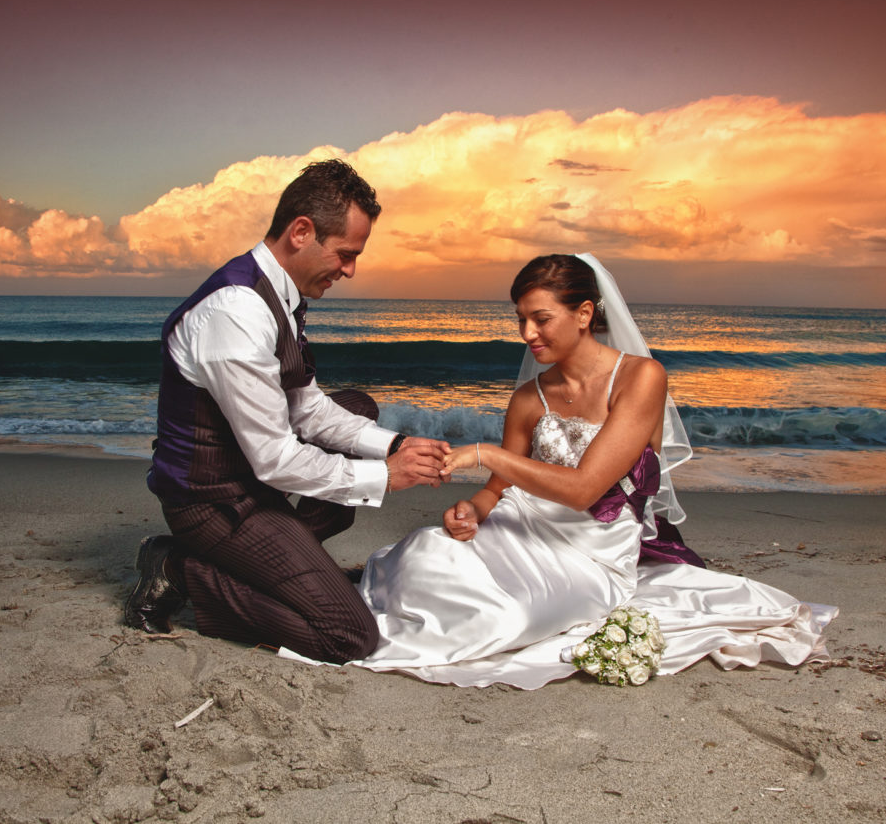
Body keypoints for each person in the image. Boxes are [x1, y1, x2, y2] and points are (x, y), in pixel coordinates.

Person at [284, 253, 835, 688]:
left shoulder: (641, 379)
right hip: (518, 527)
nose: (527, 333)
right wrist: (469, 510)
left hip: (591, 550)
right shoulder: (529, 398)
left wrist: (483, 454)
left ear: (585, 314)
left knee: (508, 615)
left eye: (540, 318)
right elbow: (499, 491)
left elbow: (585, 489)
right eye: (521, 319)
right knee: (429, 556)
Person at [125, 159, 450, 663]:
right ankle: (183, 569)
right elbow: (275, 459)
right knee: (348, 637)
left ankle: (283, 563)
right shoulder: (236, 311)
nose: (350, 270)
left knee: (359, 410)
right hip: (213, 502)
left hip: (253, 479)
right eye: (345, 254)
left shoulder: (281, 293)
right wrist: (384, 476)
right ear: (302, 232)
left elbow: (309, 409)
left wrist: (395, 446)